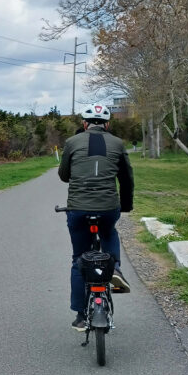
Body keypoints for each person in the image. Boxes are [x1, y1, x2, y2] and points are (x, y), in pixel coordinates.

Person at [59, 103, 134, 331]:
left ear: (84, 124)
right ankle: (115, 269)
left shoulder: (72, 142)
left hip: (78, 208)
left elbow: (64, 175)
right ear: (107, 125)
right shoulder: (117, 143)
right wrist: (125, 206)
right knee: (109, 232)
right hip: (108, 207)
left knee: (79, 259)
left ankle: (81, 316)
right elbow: (127, 178)